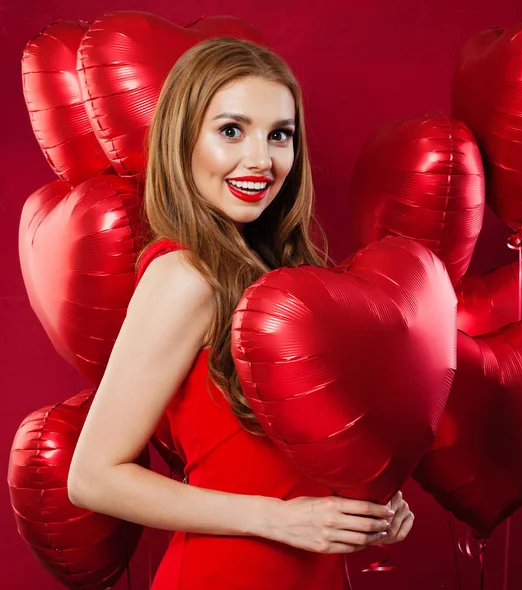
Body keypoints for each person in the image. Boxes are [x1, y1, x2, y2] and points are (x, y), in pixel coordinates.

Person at [67, 37, 414, 590]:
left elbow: (289, 455)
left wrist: (369, 502)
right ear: (183, 143)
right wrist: (280, 519)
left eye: (280, 135)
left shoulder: (284, 277)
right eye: (232, 130)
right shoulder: (184, 277)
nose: (260, 159)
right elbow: (91, 478)